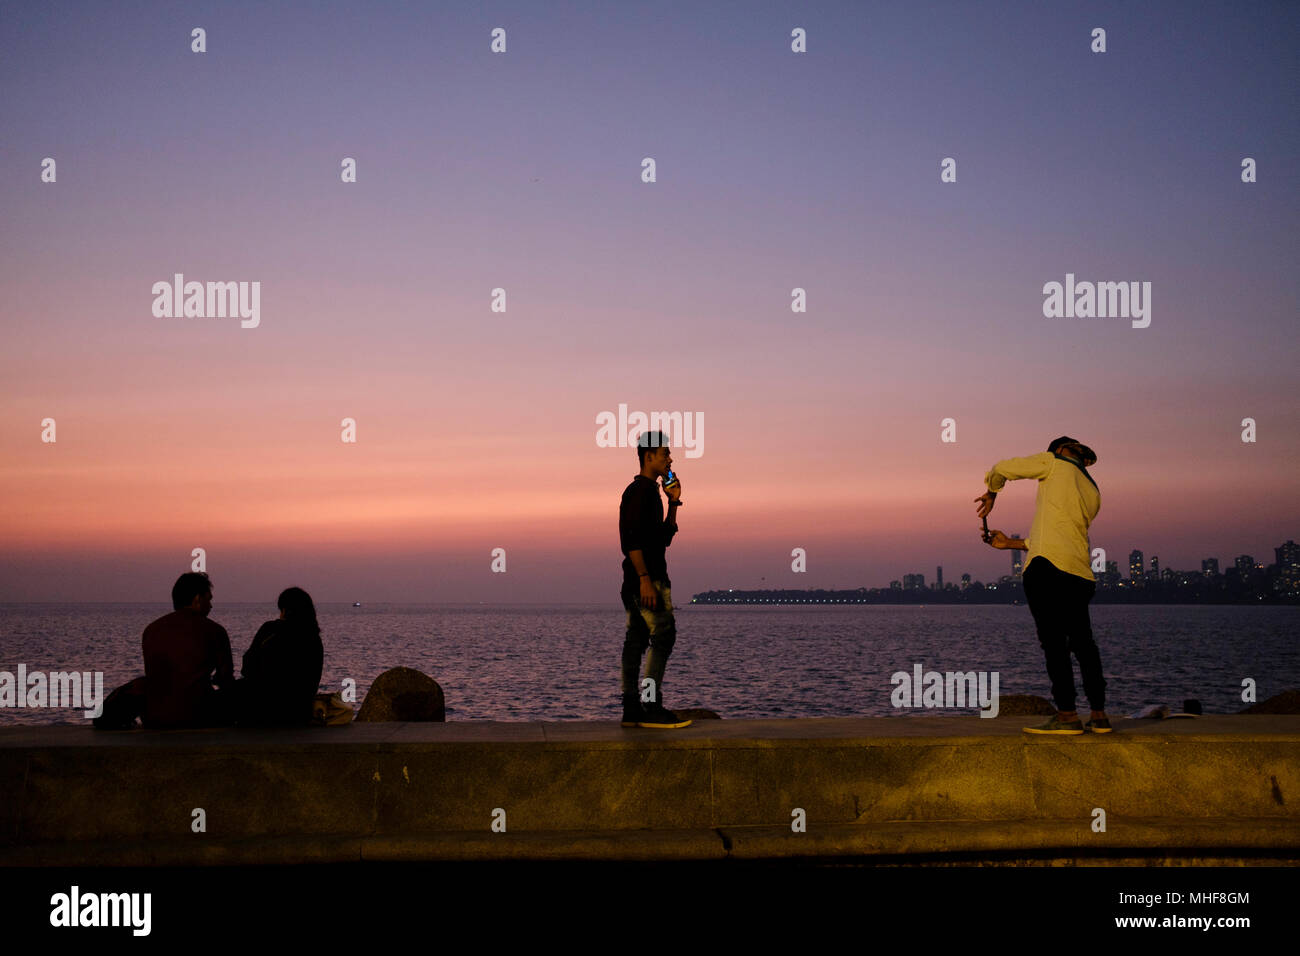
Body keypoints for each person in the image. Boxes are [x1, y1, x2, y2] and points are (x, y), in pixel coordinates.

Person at [974, 437, 1112, 735]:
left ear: (1059, 450)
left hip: (1047, 572)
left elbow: (1003, 468)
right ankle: (1099, 715)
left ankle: (1066, 716)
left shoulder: (1053, 462)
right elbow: (1061, 534)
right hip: (1080, 574)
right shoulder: (1093, 491)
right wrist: (1011, 543)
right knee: (1084, 644)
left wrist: (991, 491)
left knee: (1054, 645)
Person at [618, 430, 691, 729]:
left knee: (636, 640)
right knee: (663, 637)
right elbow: (631, 541)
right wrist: (645, 579)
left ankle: (632, 708)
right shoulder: (638, 493)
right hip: (647, 580)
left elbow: (663, 539)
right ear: (649, 457)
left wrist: (673, 502)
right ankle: (649, 705)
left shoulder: (652, 493)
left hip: (641, 579)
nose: (670, 458)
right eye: (665, 454)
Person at [141, 572, 235, 728]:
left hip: (155, 716)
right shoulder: (214, 630)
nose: (211, 606)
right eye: (209, 599)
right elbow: (225, 679)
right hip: (198, 715)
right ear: (198, 599)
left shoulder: (151, 630)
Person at [238, 587, 324, 726]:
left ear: (284, 610)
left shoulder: (270, 630)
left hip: (262, 711)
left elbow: (247, 667)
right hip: (299, 713)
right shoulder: (313, 638)